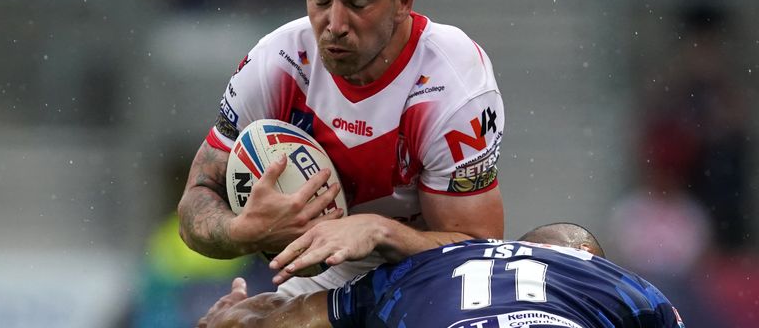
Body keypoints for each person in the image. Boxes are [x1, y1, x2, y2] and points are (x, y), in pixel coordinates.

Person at [177, 0, 506, 296]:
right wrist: (242, 231)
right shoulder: (276, 64)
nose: (334, 26)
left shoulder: (451, 86)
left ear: (404, 1)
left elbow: (479, 252)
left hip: (422, 277)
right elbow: (195, 204)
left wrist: (378, 231)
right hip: (315, 280)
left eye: (357, 2)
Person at [197, 223, 686, 327]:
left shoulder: (427, 268)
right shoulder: (614, 282)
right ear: (585, 254)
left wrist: (232, 319)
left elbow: (295, 314)